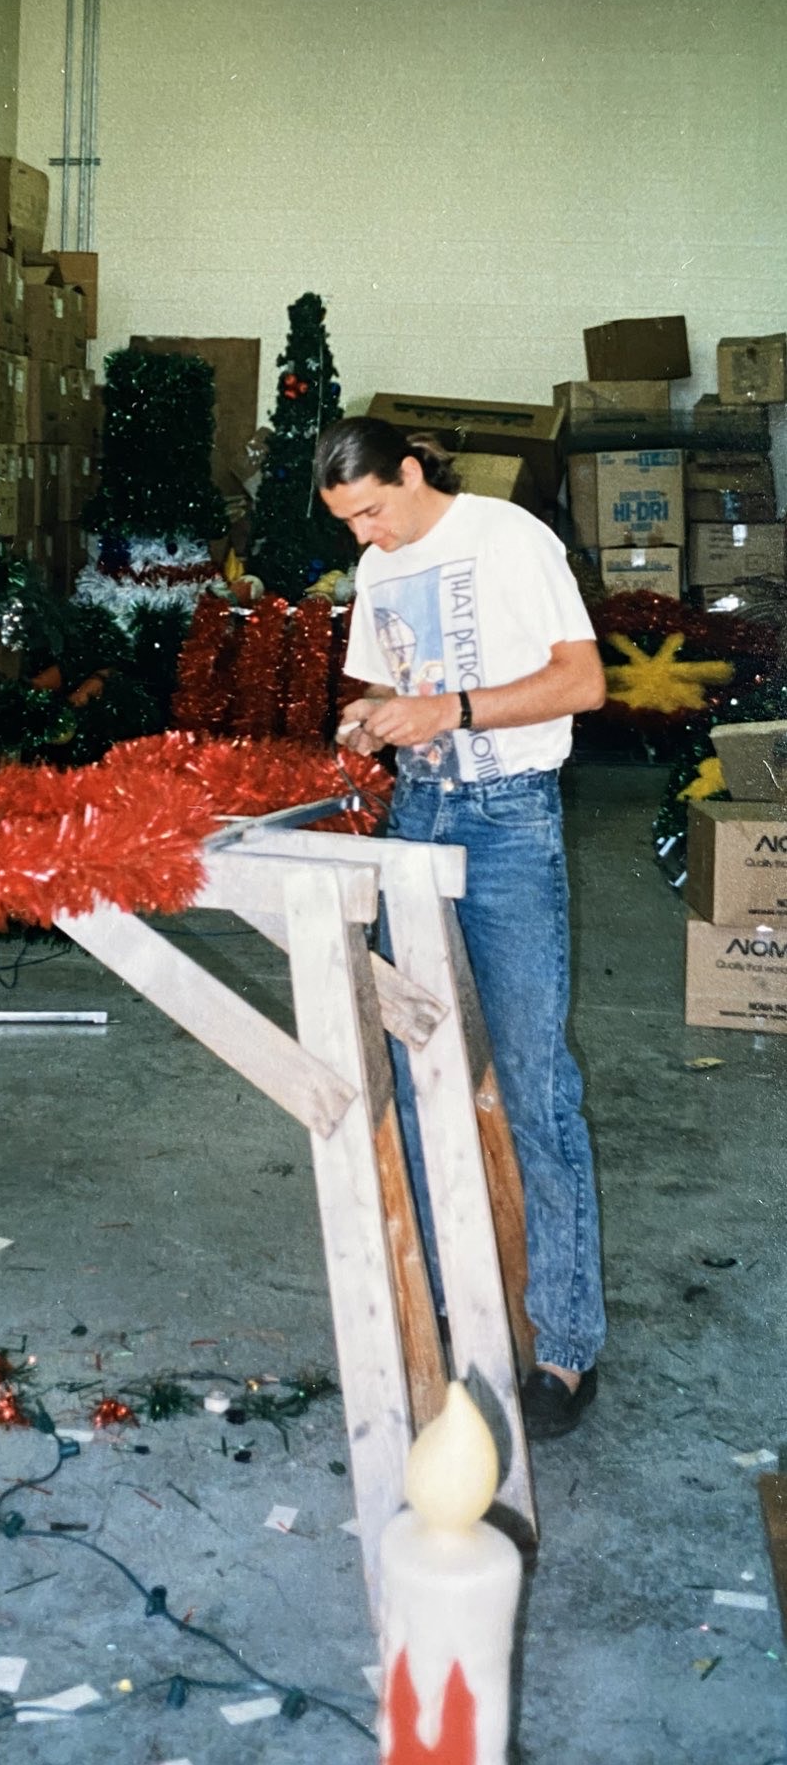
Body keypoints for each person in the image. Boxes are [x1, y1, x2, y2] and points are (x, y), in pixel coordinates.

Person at [313, 417, 608, 1441]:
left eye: (372, 510)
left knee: (533, 1078)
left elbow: (583, 680)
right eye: (347, 524)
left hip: (509, 819)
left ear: (408, 471)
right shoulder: (377, 567)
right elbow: (382, 686)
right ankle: (445, 1307)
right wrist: (371, 716)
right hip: (417, 815)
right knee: (419, 1071)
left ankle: (565, 1344)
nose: (367, 538)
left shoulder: (507, 536)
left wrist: (451, 711)